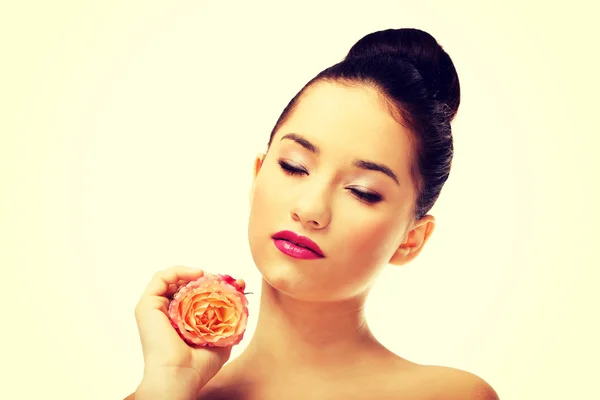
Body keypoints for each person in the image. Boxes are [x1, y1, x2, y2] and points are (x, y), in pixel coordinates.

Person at [126, 28, 499, 400]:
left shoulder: (452, 395)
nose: (310, 210)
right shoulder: (164, 391)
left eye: (362, 192)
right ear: (258, 176)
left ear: (411, 240)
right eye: (294, 166)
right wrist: (170, 382)